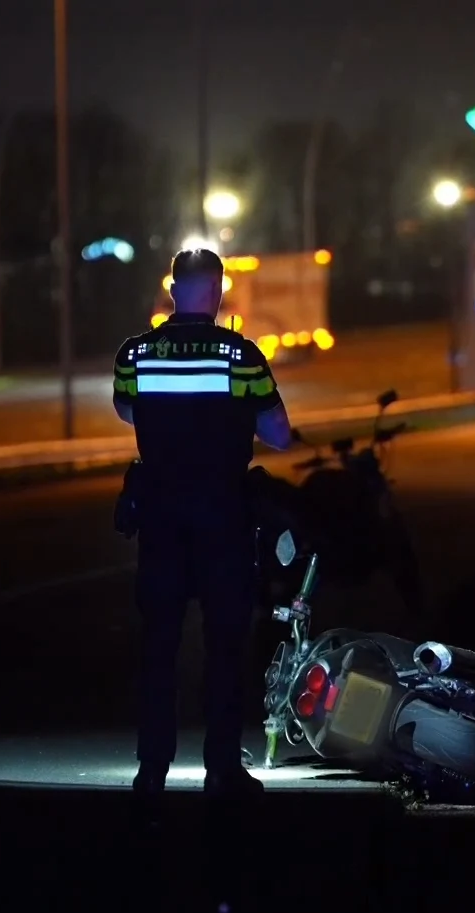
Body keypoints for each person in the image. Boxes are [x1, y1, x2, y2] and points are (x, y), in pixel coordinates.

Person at [114, 248, 293, 812]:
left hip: (160, 518)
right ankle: (222, 770)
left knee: (158, 646)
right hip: (223, 517)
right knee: (225, 645)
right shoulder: (241, 355)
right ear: (216, 291)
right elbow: (280, 433)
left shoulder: (135, 353)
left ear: (173, 290)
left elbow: (127, 410)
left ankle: (151, 771)